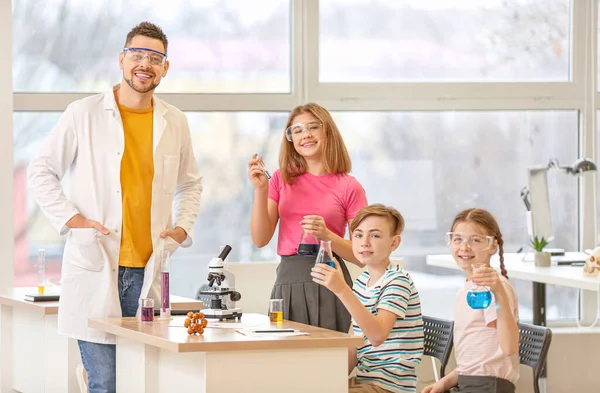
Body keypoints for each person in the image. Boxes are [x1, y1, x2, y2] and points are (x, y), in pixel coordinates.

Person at [27, 22, 202, 393]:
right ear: (122, 60)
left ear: (165, 68)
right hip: (97, 262)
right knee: (106, 384)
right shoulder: (84, 113)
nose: (145, 64)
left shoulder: (176, 121)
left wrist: (183, 228)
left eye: (155, 58)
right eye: (137, 55)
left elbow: (191, 183)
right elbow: (41, 170)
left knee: (143, 382)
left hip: (148, 270)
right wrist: (73, 221)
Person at [247, 103, 368, 332]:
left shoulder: (350, 187)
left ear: (327, 132)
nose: (306, 135)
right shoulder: (279, 180)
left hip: (331, 281)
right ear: (291, 138)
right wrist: (260, 191)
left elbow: (362, 257)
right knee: (287, 362)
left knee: (330, 362)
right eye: (298, 130)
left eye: (313, 127)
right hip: (288, 281)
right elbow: (260, 239)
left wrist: (327, 236)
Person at [311, 203, 424, 393]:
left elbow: (377, 335)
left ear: (394, 243)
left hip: (390, 387)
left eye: (375, 235)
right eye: (358, 235)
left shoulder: (397, 281)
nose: (365, 242)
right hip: (364, 381)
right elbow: (353, 342)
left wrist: (341, 289)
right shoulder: (363, 281)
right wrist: (328, 380)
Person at [422, 208, 519, 393]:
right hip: (470, 382)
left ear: (492, 246)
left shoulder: (495, 287)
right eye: (457, 239)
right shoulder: (467, 289)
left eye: (475, 240)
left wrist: (498, 292)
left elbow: (509, 346)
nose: (464, 247)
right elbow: (477, 360)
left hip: (489, 386)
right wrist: (444, 382)